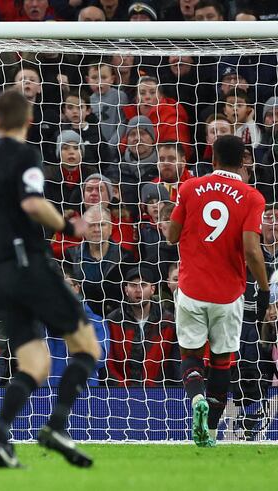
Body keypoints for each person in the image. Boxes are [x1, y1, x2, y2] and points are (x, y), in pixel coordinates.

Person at [0, 90, 100, 468]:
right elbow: (32, 203)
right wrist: (68, 226)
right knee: (87, 347)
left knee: (35, 364)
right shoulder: (26, 155)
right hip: (29, 264)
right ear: (28, 120)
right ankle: (57, 426)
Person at [167, 134, 269, 447]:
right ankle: (210, 433)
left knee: (191, 356)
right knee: (222, 362)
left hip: (191, 288)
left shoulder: (189, 187)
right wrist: (264, 289)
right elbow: (252, 250)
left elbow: (171, 236)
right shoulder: (252, 197)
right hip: (228, 295)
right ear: (243, 163)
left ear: (212, 159)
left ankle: (196, 397)